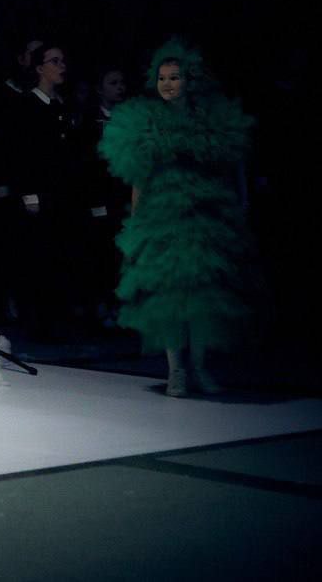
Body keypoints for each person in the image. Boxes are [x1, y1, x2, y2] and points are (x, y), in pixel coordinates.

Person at [99, 38, 256, 396]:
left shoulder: (210, 120)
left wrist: (238, 202)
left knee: (202, 297)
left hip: (204, 217)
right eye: (162, 78)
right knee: (169, 297)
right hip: (163, 217)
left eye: (174, 77)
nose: (167, 84)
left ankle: (199, 366)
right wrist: (137, 221)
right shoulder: (146, 122)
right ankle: (176, 370)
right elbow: (138, 177)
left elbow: (230, 167)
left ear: (190, 80)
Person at [1, 42, 87, 332]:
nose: (61, 66)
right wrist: (28, 192)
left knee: (61, 253)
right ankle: (38, 321)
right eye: (54, 61)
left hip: (63, 191)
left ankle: (58, 318)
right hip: (38, 192)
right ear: (39, 68)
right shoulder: (25, 106)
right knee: (38, 255)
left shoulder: (63, 106)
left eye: (63, 61)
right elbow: (19, 153)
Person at [82, 64, 131, 325]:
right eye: (113, 83)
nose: (120, 88)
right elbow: (88, 163)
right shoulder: (89, 121)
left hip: (124, 194)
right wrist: (95, 200)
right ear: (99, 89)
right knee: (102, 253)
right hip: (101, 197)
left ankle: (121, 308)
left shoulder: (130, 118)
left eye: (121, 83)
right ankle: (101, 307)